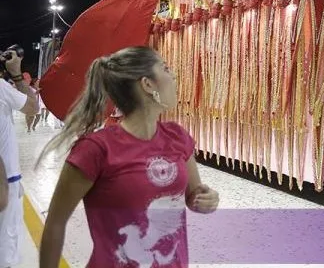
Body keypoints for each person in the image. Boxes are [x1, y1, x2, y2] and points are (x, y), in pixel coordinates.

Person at [38, 46, 220, 268]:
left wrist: (206, 199)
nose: (173, 75)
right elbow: (56, 224)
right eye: (165, 68)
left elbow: (194, 195)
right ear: (147, 84)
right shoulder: (96, 149)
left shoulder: (178, 137)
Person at [0, 45, 39, 268]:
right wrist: (16, 73)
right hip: (4, 180)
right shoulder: (1, 89)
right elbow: (32, 107)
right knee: (5, 246)